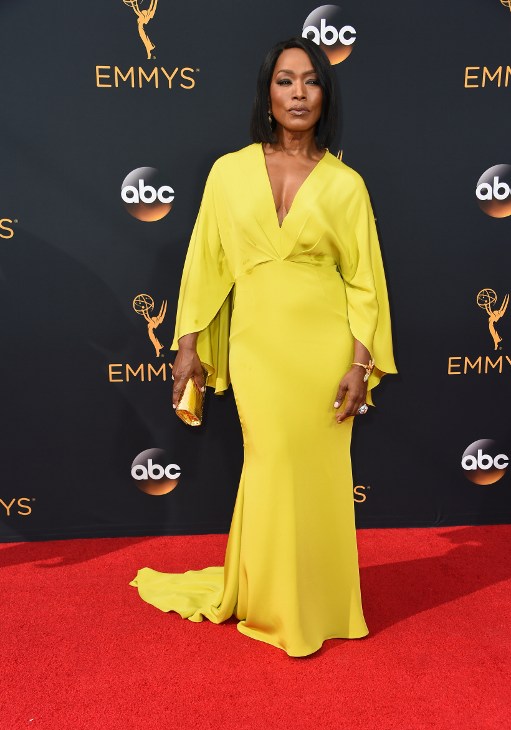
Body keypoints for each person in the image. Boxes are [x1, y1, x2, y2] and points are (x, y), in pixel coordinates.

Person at [130, 37, 397, 657]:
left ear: (325, 95)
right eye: (286, 80)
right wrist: (187, 344)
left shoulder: (346, 185)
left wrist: (360, 362)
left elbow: (365, 281)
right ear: (267, 93)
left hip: (325, 346)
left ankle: (320, 603)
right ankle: (273, 602)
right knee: (270, 461)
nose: (299, 92)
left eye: (310, 80)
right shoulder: (229, 172)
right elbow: (205, 261)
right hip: (257, 346)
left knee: (320, 474)